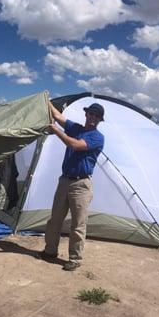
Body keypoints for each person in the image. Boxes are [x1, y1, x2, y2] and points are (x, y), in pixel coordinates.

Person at [39, 100, 105, 271]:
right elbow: (58, 116)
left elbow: (74, 145)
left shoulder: (97, 137)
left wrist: (56, 130)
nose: (92, 117)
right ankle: (50, 251)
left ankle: (75, 259)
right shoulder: (76, 129)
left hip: (81, 184)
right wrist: (46, 100)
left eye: (96, 116)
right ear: (86, 114)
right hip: (65, 180)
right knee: (55, 220)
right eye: (91, 114)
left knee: (78, 224)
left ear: (99, 120)